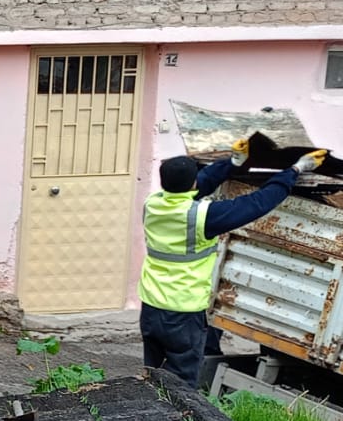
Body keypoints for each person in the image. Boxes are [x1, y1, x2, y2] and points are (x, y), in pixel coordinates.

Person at [139, 136, 326, 390]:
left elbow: (196, 186)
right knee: (181, 384)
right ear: (192, 182)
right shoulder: (203, 216)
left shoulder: (153, 204)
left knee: (154, 375)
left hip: (151, 307)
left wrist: (233, 162)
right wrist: (294, 170)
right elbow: (257, 203)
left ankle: (150, 419)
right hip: (182, 312)